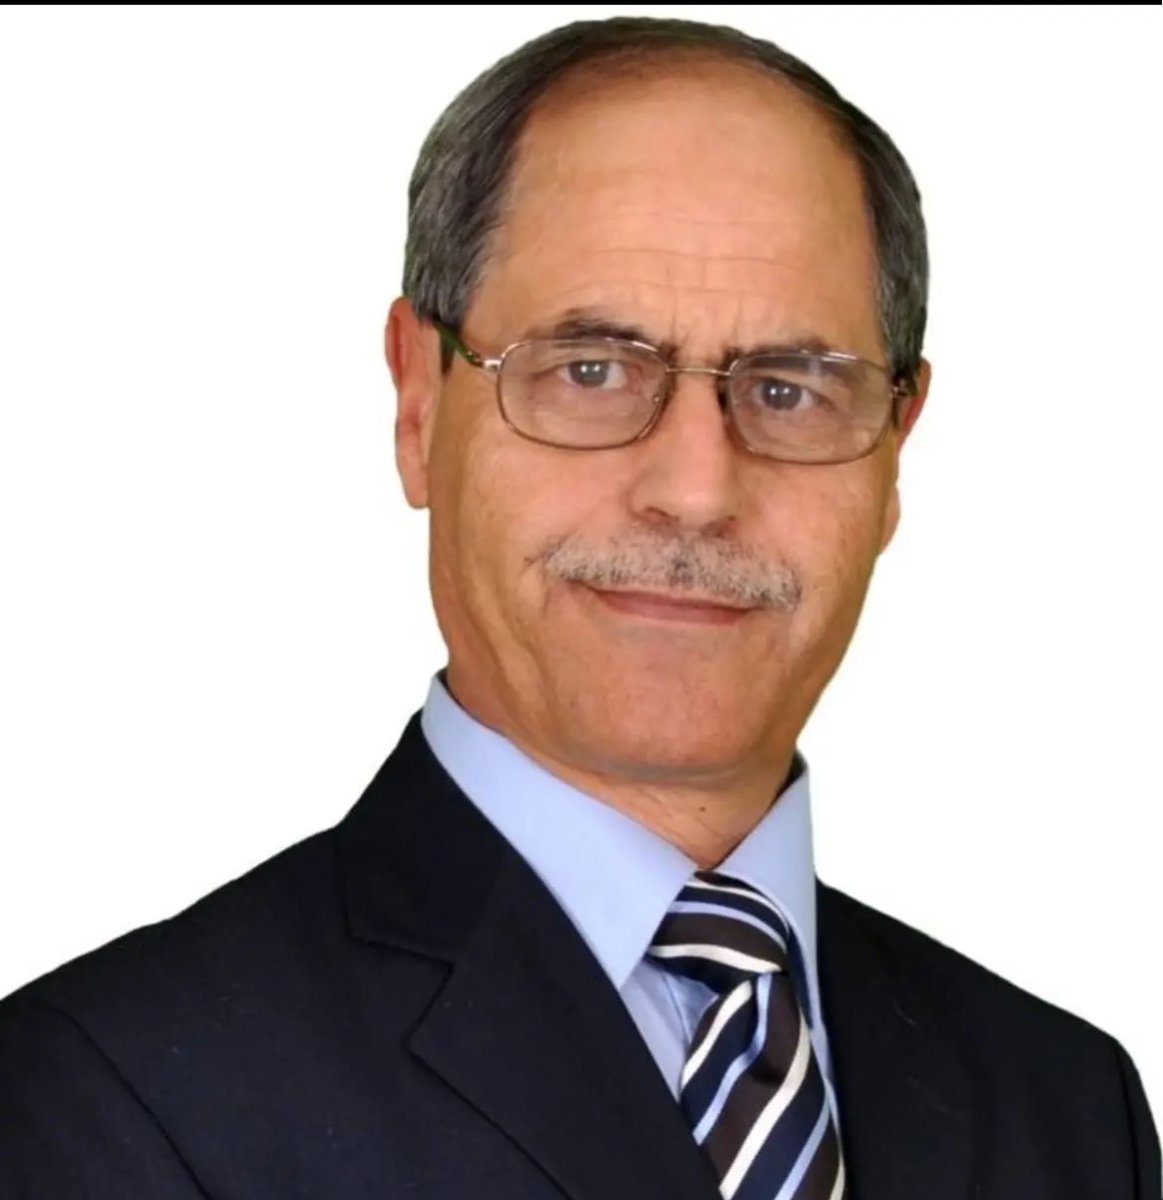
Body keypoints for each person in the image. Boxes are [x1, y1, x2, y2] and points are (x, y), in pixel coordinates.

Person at [0, 13, 1157, 1198]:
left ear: (893, 448)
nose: (696, 490)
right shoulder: (103, 1100)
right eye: (590, 371)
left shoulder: (1071, 1110)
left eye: (786, 389)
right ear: (417, 404)